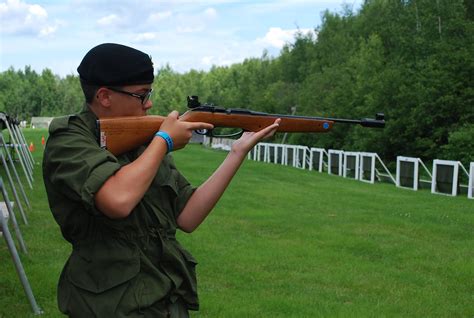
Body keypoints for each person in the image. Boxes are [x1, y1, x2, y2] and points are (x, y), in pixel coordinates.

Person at [42, 43, 280, 317]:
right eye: (142, 95)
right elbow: (117, 200)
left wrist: (238, 151)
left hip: (166, 300)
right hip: (110, 305)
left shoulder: (146, 143)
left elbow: (188, 216)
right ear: (105, 96)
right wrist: (164, 140)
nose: (150, 103)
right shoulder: (69, 141)